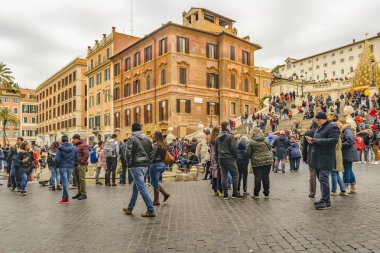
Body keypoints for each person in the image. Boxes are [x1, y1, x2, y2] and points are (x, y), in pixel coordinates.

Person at [306, 112, 340, 210]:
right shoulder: (319, 128)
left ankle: (326, 201)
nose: (317, 122)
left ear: (322, 119)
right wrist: (311, 141)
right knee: (321, 180)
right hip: (317, 158)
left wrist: (315, 141)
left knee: (324, 179)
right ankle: (324, 198)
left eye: (317, 120)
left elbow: (333, 141)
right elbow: (317, 141)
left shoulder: (332, 127)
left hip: (326, 158)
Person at [123, 123, 155, 217]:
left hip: (136, 165)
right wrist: (148, 162)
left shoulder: (131, 139)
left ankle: (150, 209)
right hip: (145, 166)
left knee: (141, 188)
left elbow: (127, 153)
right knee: (136, 187)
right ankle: (130, 208)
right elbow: (151, 152)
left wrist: (129, 164)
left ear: (132, 130)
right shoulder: (147, 139)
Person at [215, 121, 244, 199]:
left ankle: (225, 194)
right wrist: (235, 157)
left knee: (223, 176)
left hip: (221, 158)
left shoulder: (217, 137)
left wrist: (218, 158)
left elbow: (216, 150)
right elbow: (234, 148)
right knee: (235, 175)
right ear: (227, 126)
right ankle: (235, 193)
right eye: (229, 126)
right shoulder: (230, 136)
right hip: (229, 158)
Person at [246, 128, 273, 199]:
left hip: (256, 161)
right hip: (267, 160)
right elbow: (270, 148)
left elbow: (248, 152)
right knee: (266, 177)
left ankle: (256, 194)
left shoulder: (251, 141)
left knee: (258, 177)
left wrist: (252, 156)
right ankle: (266, 193)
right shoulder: (265, 139)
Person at [338, 120, 359, 193]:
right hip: (349, 152)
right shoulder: (346, 130)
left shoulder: (347, 131)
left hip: (348, 153)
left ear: (343, 123)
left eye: (339, 123)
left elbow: (350, 141)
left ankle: (346, 186)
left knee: (346, 170)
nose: (338, 125)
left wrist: (341, 145)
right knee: (349, 169)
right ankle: (353, 186)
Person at [149, 131, 170, 206]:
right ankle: (165, 194)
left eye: (153, 134)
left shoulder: (155, 144)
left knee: (154, 183)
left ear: (157, 136)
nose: (152, 135)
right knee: (154, 182)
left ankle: (156, 201)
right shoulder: (163, 144)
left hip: (155, 165)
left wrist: (147, 162)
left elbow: (152, 156)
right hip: (162, 164)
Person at [55, 135, 78, 203]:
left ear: (62, 141)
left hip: (63, 166)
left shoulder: (60, 148)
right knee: (66, 181)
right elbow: (76, 158)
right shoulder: (74, 148)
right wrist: (74, 164)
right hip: (70, 167)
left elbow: (57, 159)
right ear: (68, 140)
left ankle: (66, 197)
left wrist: (57, 166)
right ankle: (64, 198)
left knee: (65, 182)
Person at [330, 123, 348, 196]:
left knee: (333, 173)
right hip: (338, 155)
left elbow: (333, 147)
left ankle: (334, 190)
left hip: (335, 156)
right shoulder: (338, 135)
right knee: (336, 173)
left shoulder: (335, 136)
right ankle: (343, 190)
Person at [302, 121, 318, 198]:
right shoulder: (322, 132)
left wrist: (304, 157)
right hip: (321, 156)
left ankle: (312, 192)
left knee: (312, 175)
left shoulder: (308, 132)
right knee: (323, 176)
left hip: (311, 155)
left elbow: (304, 147)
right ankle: (325, 192)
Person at [72, 134, 89, 200]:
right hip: (76, 164)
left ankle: (83, 194)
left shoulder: (84, 145)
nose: (73, 140)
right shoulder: (76, 145)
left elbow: (86, 155)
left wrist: (81, 162)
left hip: (81, 165)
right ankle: (79, 193)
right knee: (77, 180)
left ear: (77, 139)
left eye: (74, 139)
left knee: (82, 180)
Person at [209, 127, 222, 196]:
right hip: (217, 158)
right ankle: (220, 190)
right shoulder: (219, 139)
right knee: (219, 174)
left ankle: (215, 191)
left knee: (214, 174)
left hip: (212, 158)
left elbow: (209, 150)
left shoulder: (211, 139)